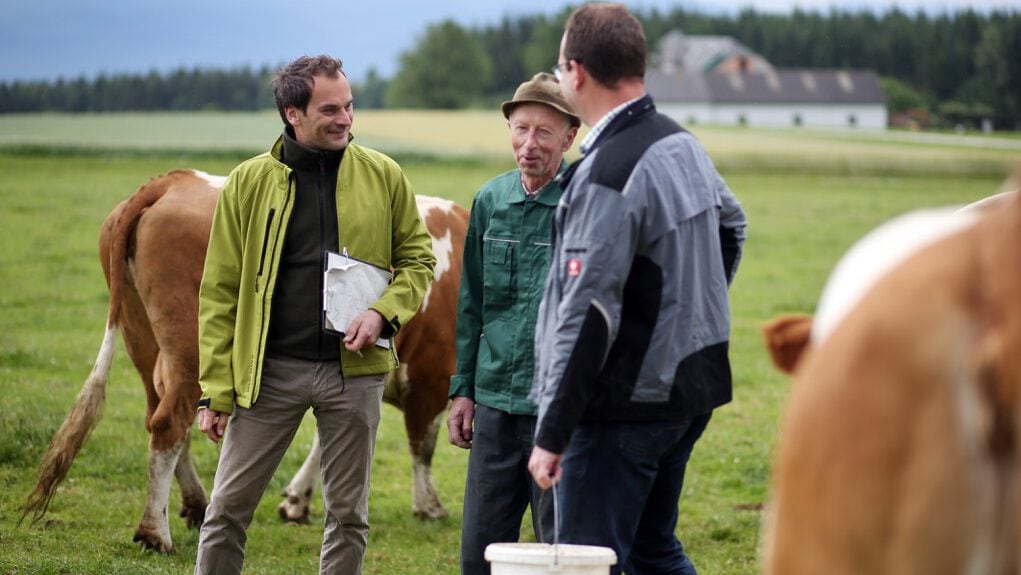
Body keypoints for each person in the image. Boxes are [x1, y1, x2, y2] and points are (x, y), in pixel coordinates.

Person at [526, 5, 748, 575]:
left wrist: (551, 434)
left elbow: (588, 312)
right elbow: (732, 224)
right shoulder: (682, 144)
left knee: (585, 561)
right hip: (685, 394)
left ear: (575, 72)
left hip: (621, 411)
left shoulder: (608, 174)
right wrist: (683, 322)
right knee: (652, 550)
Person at [193, 54, 436, 575]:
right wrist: (215, 390)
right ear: (292, 113)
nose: (345, 118)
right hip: (269, 374)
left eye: (349, 106)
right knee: (225, 512)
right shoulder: (248, 183)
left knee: (348, 516)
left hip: (355, 376)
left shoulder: (385, 175)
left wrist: (382, 314)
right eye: (330, 109)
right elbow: (220, 293)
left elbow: (419, 261)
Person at [448, 72, 580, 574]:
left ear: (569, 138)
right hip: (495, 406)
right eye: (520, 129)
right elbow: (472, 304)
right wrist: (463, 389)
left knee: (561, 553)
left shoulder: (582, 203)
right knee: (479, 552)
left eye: (544, 132)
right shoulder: (489, 201)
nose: (529, 144)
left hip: (558, 408)